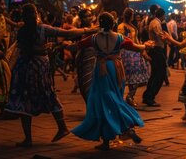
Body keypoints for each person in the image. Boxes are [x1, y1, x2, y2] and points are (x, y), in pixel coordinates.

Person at [5, 3, 95, 147]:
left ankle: (29, 138)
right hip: (38, 67)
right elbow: (66, 34)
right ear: (36, 15)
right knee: (48, 95)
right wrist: (87, 30)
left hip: (25, 68)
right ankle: (62, 127)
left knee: (24, 100)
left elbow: (22, 47)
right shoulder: (41, 29)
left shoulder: (23, 30)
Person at [72, 12, 153, 151]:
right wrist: (146, 46)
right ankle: (125, 127)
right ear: (113, 24)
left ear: (99, 24)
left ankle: (110, 138)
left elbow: (78, 45)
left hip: (101, 69)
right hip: (116, 69)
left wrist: (64, 45)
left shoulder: (93, 38)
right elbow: (135, 47)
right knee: (115, 97)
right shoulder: (120, 38)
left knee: (101, 101)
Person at [118, 8, 150, 107]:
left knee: (137, 77)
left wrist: (142, 50)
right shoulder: (121, 26)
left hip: (135, 52)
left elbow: (136, 40)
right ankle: (120, 98)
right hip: (126, 53)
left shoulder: (132, 26)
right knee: (123, 77)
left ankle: (130, 96)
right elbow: (122, 40)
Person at [142, 8, 173, 107]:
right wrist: (168, 40)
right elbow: (160, 36)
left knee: (155, 73)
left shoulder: (154, 22)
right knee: (160, 73)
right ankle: (150, 96)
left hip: (155, 50)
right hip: (156, 50)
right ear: (162, 15)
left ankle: (147, 95)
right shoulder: (156, 23)